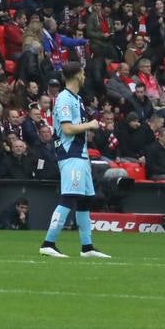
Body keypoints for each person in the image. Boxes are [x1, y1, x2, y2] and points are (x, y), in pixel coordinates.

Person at [40, 65, 111, 259]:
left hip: (81, 154)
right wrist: (91, 125)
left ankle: (87, 247)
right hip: (70, 154)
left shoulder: (77, 99)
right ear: (77, 75)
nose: (85, 75)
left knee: (85, 199)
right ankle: (48, 242)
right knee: (69, 197)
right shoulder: (64, 98)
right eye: (83, 72)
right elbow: (68, 129)